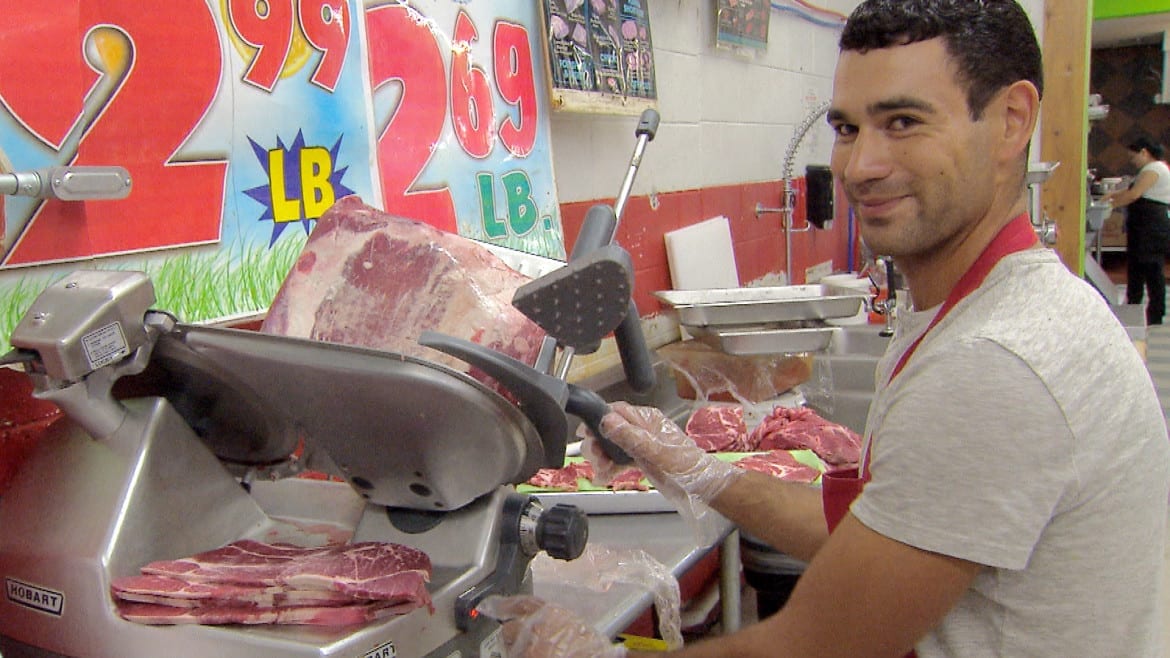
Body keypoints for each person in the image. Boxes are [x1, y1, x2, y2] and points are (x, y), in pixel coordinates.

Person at [481, 1, 1170, 656]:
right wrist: (706, 477)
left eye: (903, 122)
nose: (859, 166)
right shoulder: (988, 306)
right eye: (846, 128)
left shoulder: (995, 360)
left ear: (1013, 119)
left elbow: (811, 648)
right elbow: (872, 532)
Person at [1103, 137, 1170, 324]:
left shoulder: (1154, 169)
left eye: (1134, 157)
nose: (1133, 161)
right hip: (1146, 226)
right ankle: (1134, 307)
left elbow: (1133, 194)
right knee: (1138, 269)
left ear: (1144, 152)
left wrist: (1109, 203)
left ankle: (1154, 314)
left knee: (1151, 270)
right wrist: (1110, 196)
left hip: (1151, 227)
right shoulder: (1155, 169)